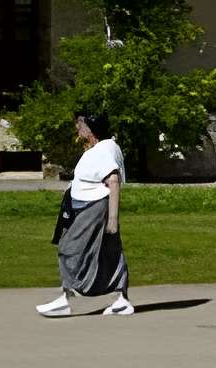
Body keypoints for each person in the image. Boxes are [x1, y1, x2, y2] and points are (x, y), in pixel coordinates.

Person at [38, 110, 134, 317]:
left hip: (94, 206)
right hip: (92, 205)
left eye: (80, 124)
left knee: (69, 248)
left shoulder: (103, 150)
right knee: (110, 251)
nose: (77, 127)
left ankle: (65, 298)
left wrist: (112, 220)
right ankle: (121, 300)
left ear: (91, 129)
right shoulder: (105, 147)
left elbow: (114, 180)